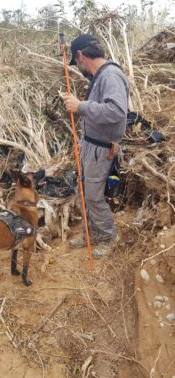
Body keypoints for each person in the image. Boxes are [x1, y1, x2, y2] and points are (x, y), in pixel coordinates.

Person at [63, 34, 129, 257]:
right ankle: (89, 233)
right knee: (84, 192)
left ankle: (107, 237)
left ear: (81, 55)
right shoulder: (100, 76)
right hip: (90, 146)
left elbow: (117, 111)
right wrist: (83, 141)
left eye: (76, 61)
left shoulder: (111, 75)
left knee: (93, 195)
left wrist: (81, 106)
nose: (77, 66)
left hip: (102, 149)